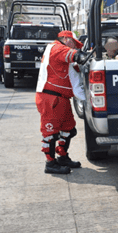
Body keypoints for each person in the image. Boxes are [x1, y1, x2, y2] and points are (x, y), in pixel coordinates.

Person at [35, 30, 89, 174]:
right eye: (73, 43)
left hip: (61, 98)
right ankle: (50, 163)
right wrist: (83, 56)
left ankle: (62, 157)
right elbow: (76, 56)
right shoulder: (56, 47)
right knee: (50, 133)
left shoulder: (60, 52)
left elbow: (74, 69)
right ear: (65, 38)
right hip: (50, 97)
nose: (74, 47)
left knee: (69, 129)